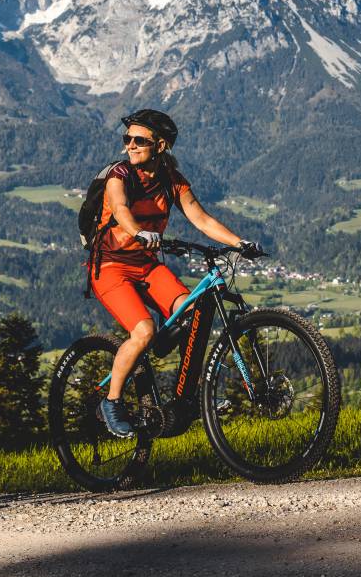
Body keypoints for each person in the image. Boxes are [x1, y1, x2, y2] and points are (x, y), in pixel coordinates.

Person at [88, 109, 259, 437]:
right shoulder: (119, 175)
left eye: (139, 140)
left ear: (161, 145)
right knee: (143, 331)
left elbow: (202, 218)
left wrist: (240, 243)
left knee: (193, 312)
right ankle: (110, 402)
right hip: (111, 268)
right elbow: (121, 209)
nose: (130, 146)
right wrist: (138, 232)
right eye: (128, 140)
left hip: (147, 266)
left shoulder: (171, 180)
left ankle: (186, 397)